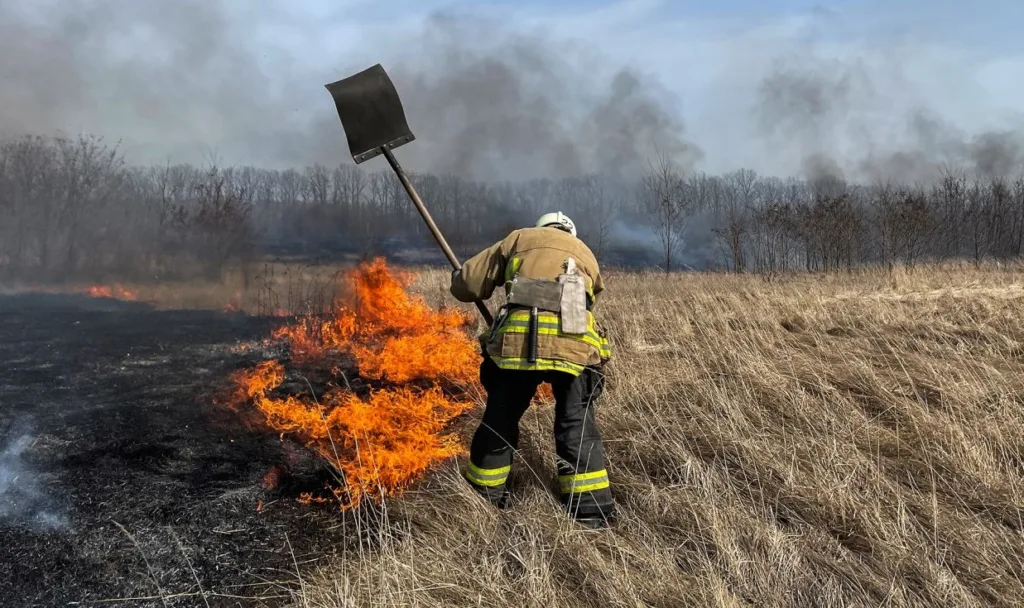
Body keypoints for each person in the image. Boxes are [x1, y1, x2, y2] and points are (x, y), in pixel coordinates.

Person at [449, 211, 616, 528]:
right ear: (570, 232)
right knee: (575, 422)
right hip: (576, 346)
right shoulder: (585, 253)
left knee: (501, 417)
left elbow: (468, 285)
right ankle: (591, 511)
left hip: (518, 345)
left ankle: (483, 498)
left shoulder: (519, 239)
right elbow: (587, 304)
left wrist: (459, 279)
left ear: (541, 228)